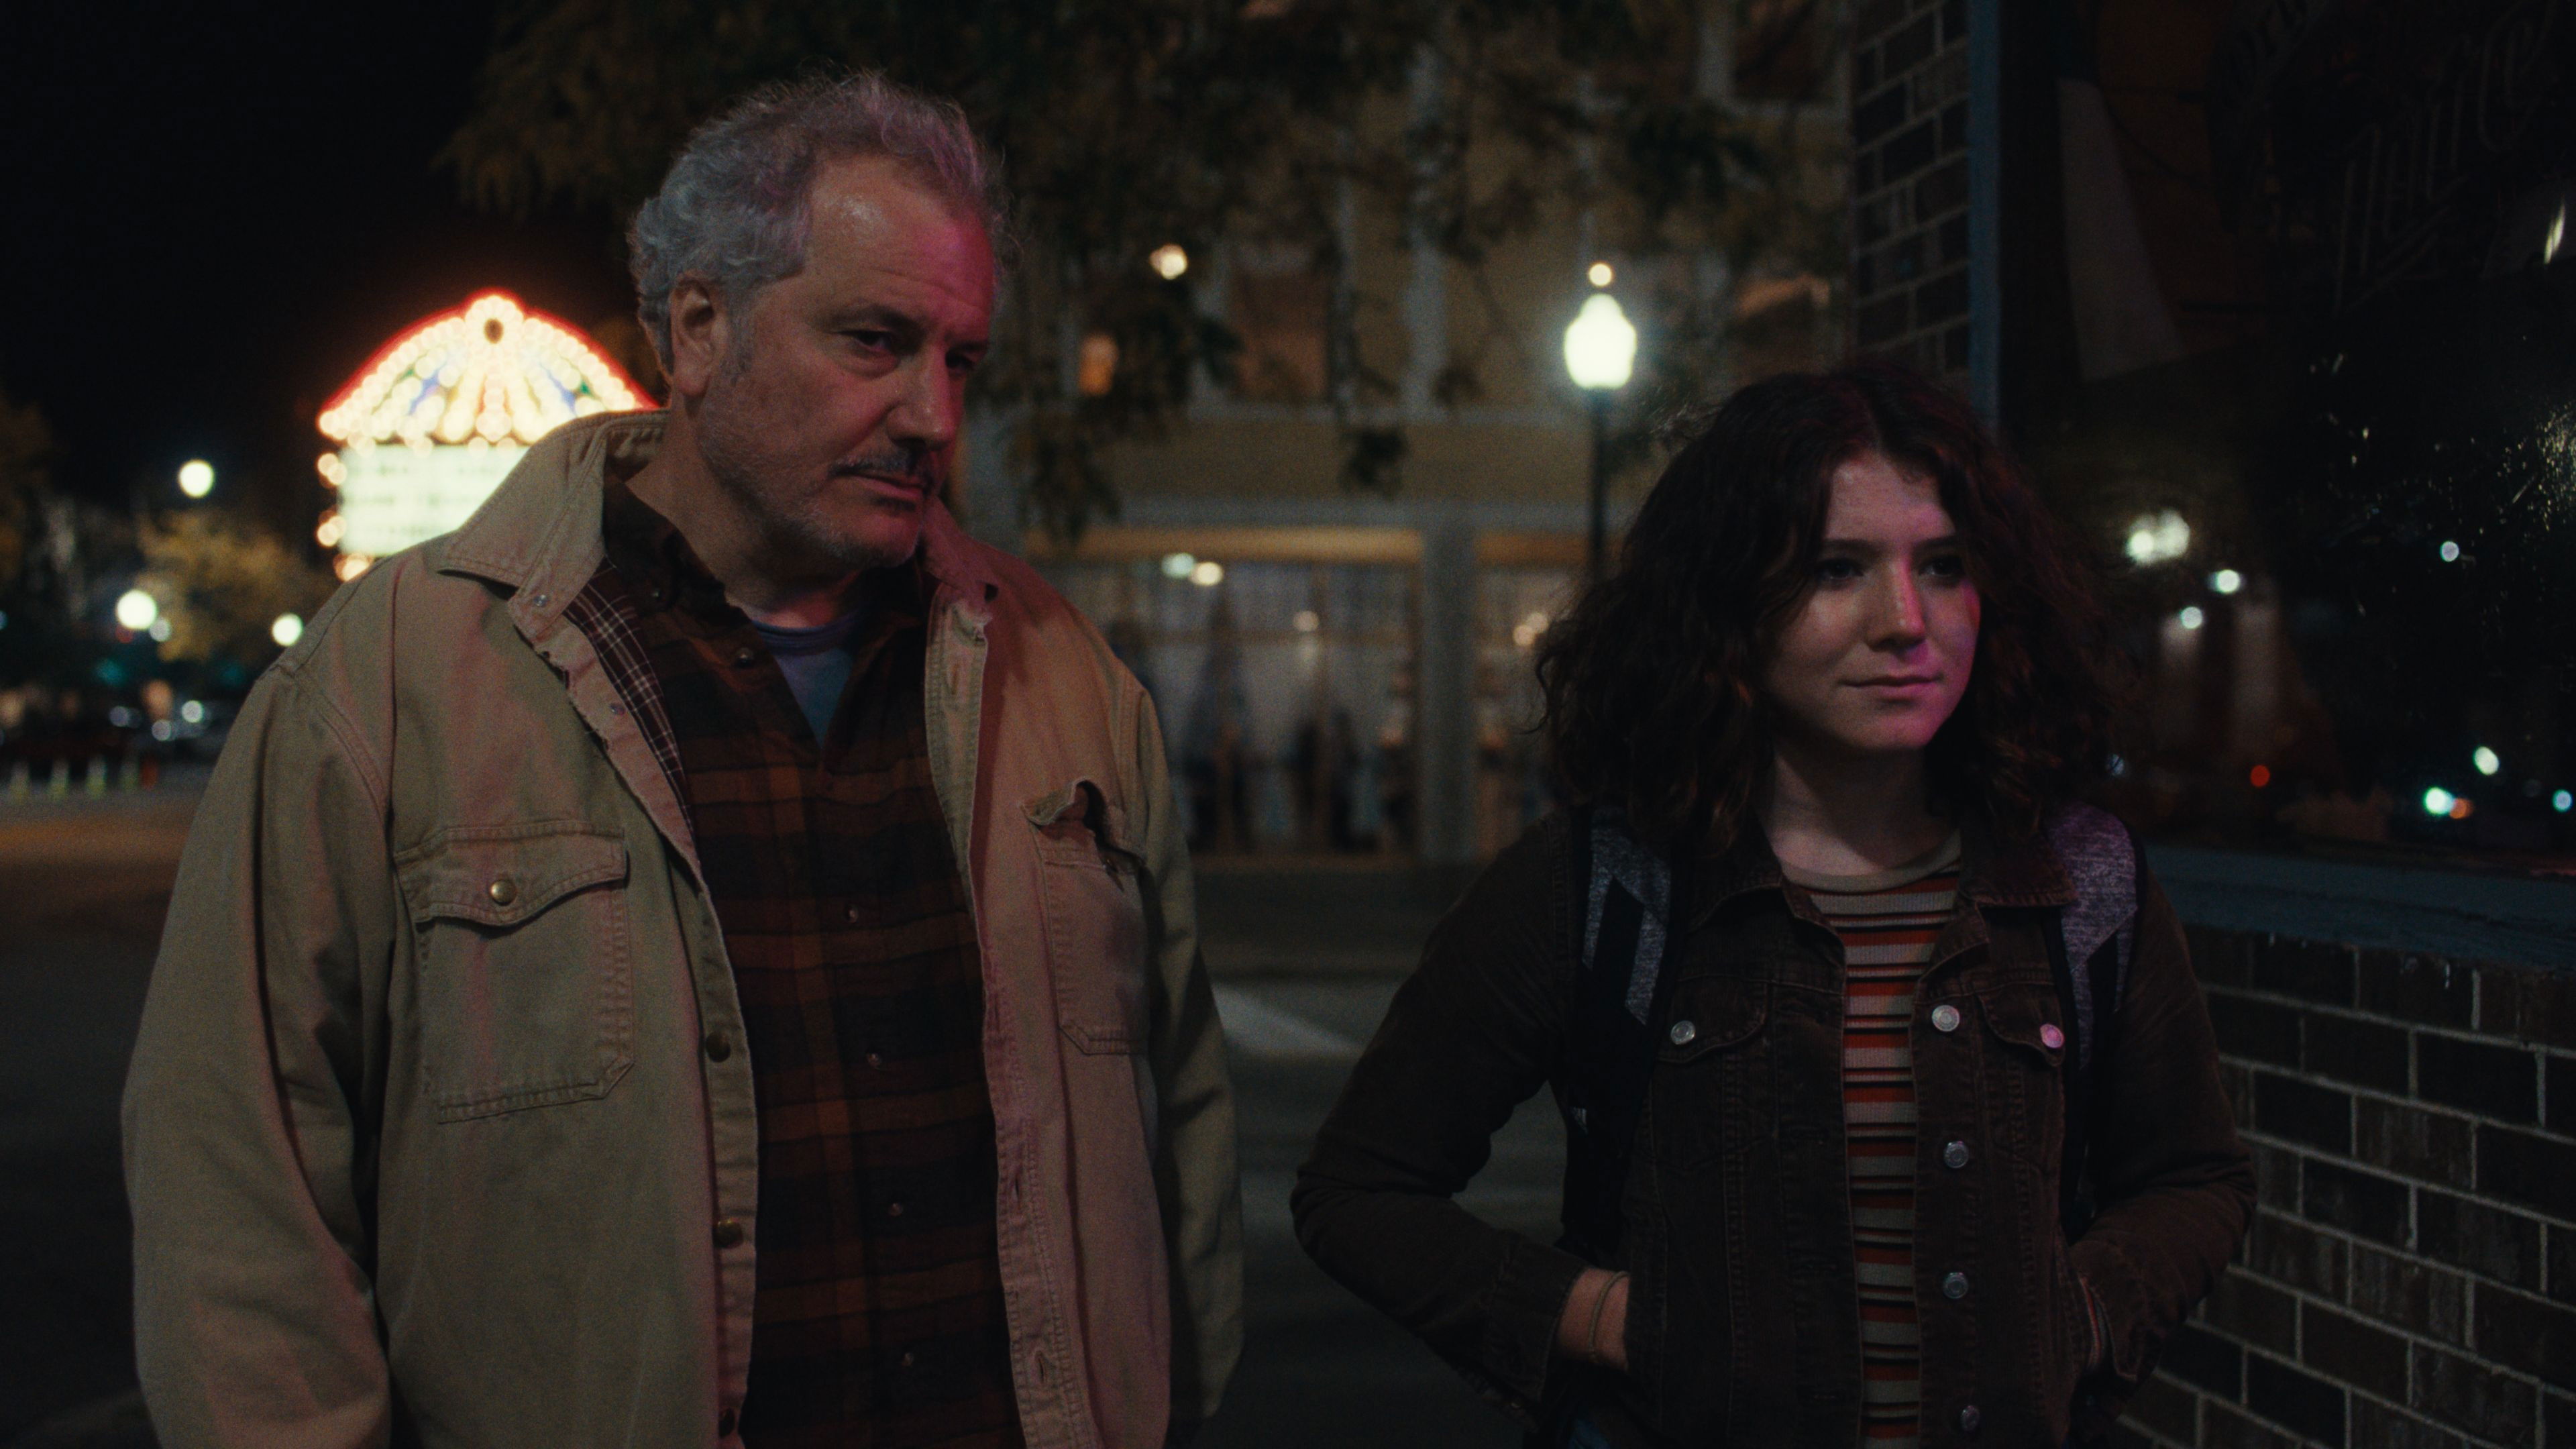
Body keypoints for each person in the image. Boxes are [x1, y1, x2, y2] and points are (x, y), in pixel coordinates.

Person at [123, 74, 1240, 1449]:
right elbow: (239, 1179)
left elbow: (1182, 1152)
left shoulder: (1069, 683)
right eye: (877, 342)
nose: (934, 416)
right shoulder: (392, 682)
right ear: (701, 329)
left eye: (962, 362)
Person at [1293, 364, 2251, 1448]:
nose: (1906, 621)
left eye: (1944, 566)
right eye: (1837, 569)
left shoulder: (2079, 881)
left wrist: (2079, 1317)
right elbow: (1360, 1192)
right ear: (1730, 603)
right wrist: (1611, 1321)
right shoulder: (1610, 884)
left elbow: (2195, 1177)